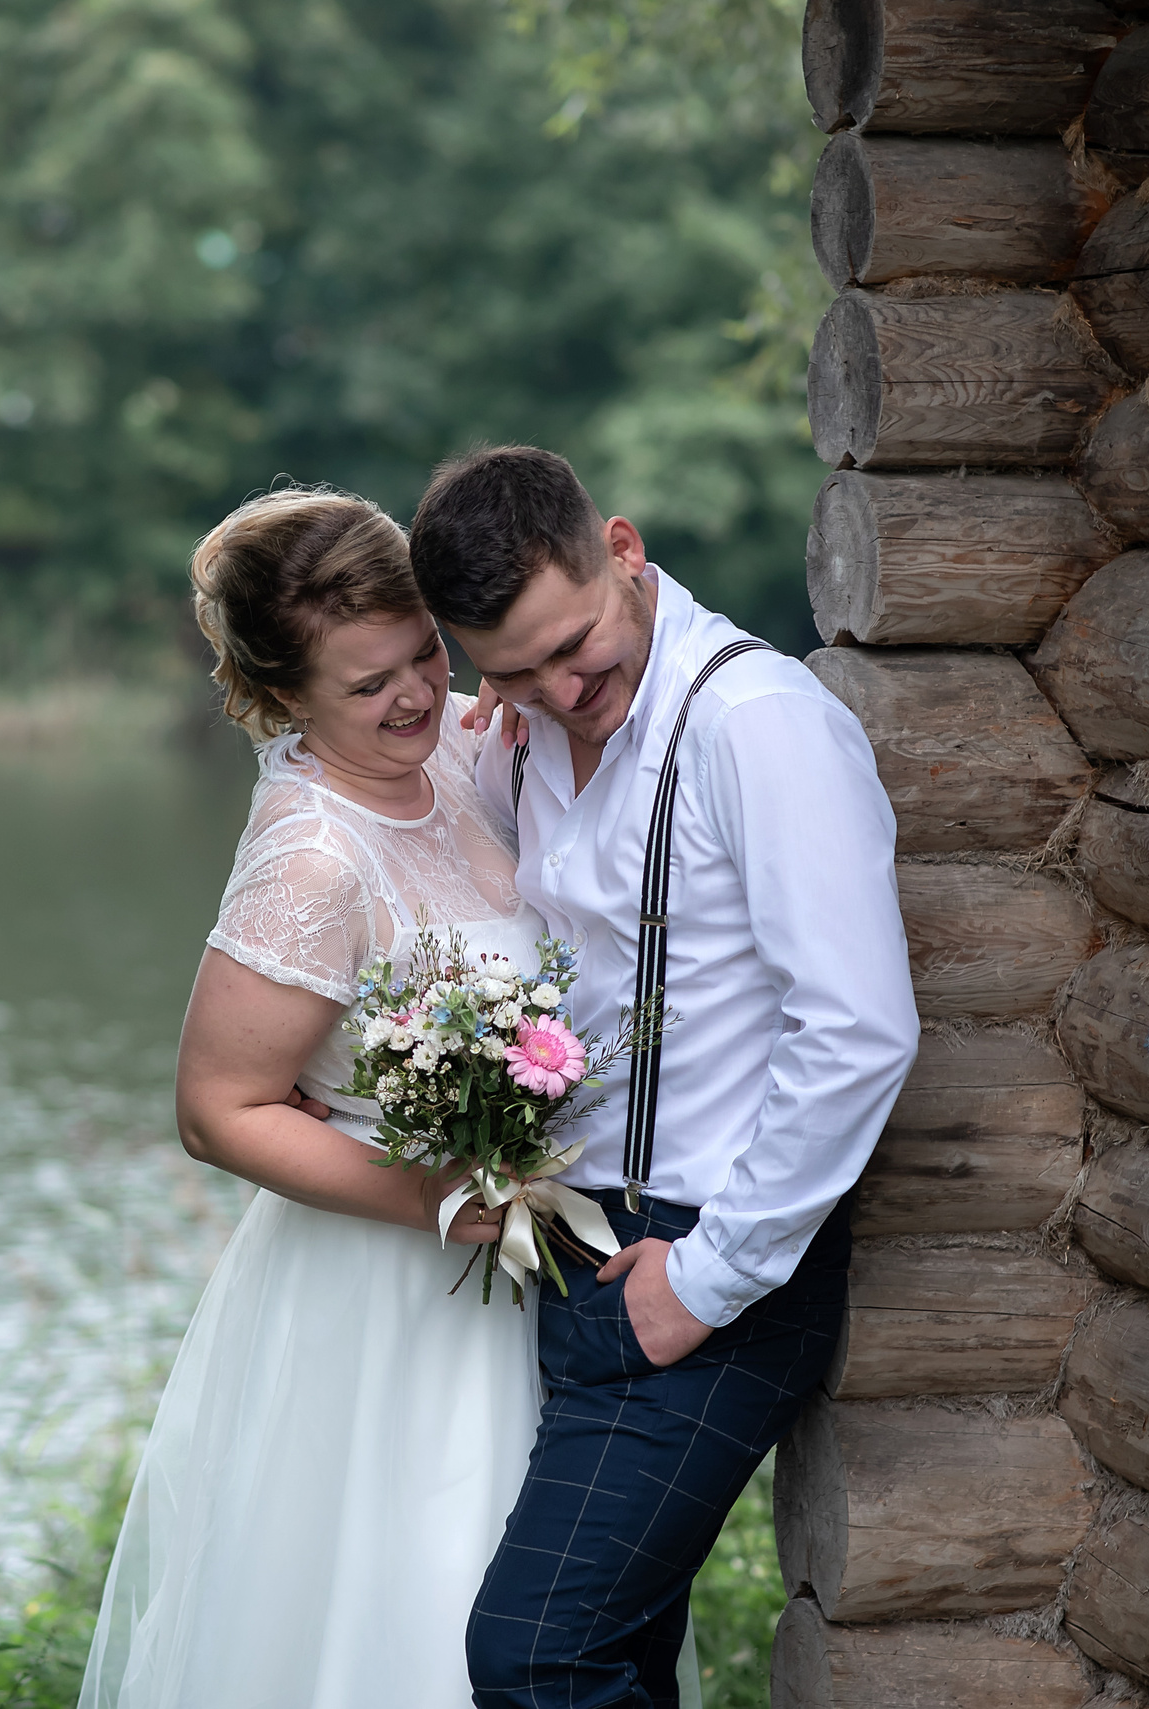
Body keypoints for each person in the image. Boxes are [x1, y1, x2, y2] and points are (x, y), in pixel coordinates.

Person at [84, 487, 707, 1708]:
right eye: (370, 686)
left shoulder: (472, 751)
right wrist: (433, 1191)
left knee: (560, 1612)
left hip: (540, 1271)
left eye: (423, 651)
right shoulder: (312, 856)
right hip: (387, 1297)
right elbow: (218, 1109)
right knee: (416, 1608)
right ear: (285, 698)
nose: (417, 695)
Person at [407, 446, 919, 1709]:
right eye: (511, 669)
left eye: (572, 646)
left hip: (719, 1258)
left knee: (536, 1652)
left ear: (623, 550)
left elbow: (857, 1028)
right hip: (579, 1245)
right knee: (619, 1651)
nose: (557, 688)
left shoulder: (759, 724)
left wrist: (711, 1275)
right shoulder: (518, 733)